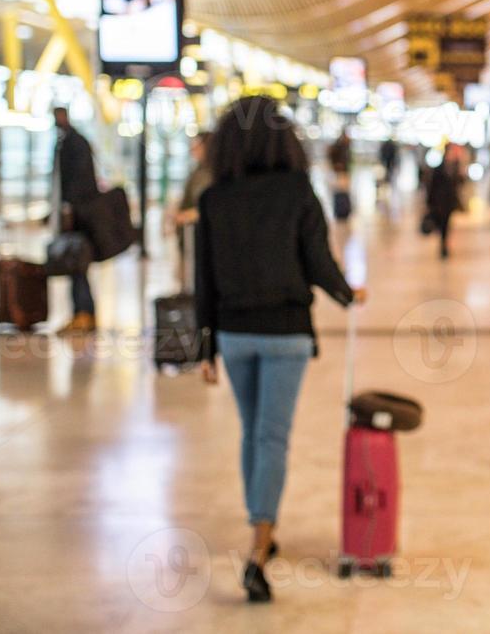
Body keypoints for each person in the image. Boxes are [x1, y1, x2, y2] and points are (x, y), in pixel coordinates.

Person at [194, 95, 362, 604]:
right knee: (272, 438)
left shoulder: (213, 198)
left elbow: (203, 278)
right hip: (285, 331)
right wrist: (347, 293)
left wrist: (205, 346)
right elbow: (316, 260)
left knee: (253, 434)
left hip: (234, 333)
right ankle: (259, 544)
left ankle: (261, 526)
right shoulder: (296, 191)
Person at [52, 106, 100, 335]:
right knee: (75, 265)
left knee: (77, 263)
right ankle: (81, 312)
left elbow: (78, 179)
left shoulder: (74, 143)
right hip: (77, 212)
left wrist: (69, 208)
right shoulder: (67, 141)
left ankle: (83, 313)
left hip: (79, 214)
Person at [172, 131, 213, 273]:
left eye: (197, 144)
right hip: (188, 237)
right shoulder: (197, 170)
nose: (193, 148)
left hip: (200, 238)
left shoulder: (212, 172)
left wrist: (191, 214)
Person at [425, 144, 463, 259]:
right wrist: (429, 202)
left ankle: (444, 246)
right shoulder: (439, 168)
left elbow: (459, 184)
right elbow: (432, 186)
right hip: (439, 202)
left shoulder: (455, 167)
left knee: (447, 225)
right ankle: (443, 246)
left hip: (449, 202)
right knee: (442, 224)